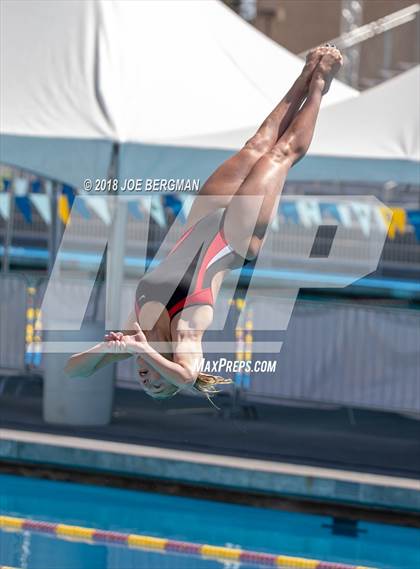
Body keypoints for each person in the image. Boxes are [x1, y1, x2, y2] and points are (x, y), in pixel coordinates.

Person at [65, 45, 343, 402]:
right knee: (280, 154)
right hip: (232, 240)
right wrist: (146, 353)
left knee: (256, 145)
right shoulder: (186, 337)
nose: (146, 381)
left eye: (144, 383)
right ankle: (320, 84)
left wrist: (123, 348)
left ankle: (304, 76)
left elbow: (75, 369)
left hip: (201, 219)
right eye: (156, 386)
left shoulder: (134, 332)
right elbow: (185, 375)